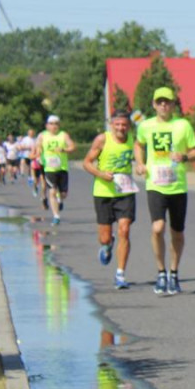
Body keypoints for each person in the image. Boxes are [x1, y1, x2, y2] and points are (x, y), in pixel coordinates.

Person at [133, 86, 195, 295]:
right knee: (157, 227)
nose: (163, 105)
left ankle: (174, 273)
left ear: (173, 104)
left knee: (177, 232)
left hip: (177, 185)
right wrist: (140, 163)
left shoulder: (182, 125)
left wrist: (185, 157)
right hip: (156, 184)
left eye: (167, 101)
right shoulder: (146, 126)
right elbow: (138, 144)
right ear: (154, 104)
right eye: (159, 101)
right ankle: (161, 272)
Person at [83, 110, 139, 289]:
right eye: (118, 124)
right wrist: (101, 174)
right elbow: (86, 162)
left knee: (125, 230)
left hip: (125, 192)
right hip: (103, 192)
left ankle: (120, 274)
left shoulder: (133, 139)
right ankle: (107, 245)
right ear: (112, 125)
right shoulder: (102, 140)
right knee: (105, 237)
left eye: (124, 124)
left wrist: (140, 166)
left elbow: (139, 157)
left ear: (128, 126)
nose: (121, 128)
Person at [33, 115, 75, 225]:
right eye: (51, 124)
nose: (53, 126)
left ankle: (60, 200)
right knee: (52, 191)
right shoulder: (42, 135)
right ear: (47, 125)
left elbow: (72, 147)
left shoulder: (63, 135)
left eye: (56, 124)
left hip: (62, 168)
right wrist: (38, 151)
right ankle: (56, 216)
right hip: (49, 168)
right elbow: (38, 145)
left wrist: (64, 149)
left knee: (63, 194)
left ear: (59, 125)